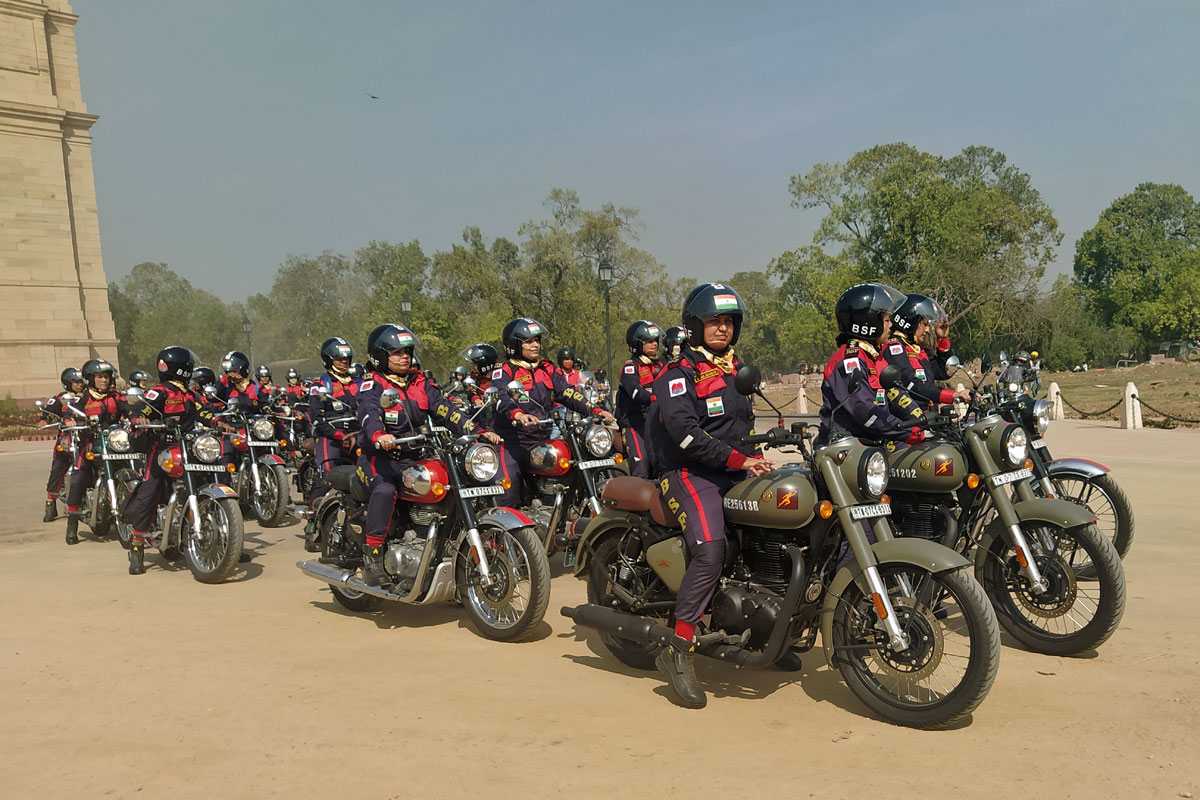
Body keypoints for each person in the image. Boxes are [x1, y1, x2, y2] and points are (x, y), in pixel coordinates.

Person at [645, 283, 773, 709]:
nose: (723, 328)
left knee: (772, 531)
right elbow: (686, 437)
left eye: (729, 321)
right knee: (711, 549)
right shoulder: (676, 375)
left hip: (732, 469)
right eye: (714, 321)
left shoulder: (735, 370)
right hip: (689, 473)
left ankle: (769, 631)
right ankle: (677, 651)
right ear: (694, 326)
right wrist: (740, 460)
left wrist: (760, 452)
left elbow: (740, 428)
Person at [355, 324, 501, 585]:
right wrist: (380, 436)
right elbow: (369, 414)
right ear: (380, 355)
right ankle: (373, 556)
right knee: (385, 490)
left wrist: (476, 429)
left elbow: (445, 409)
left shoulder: (419, 381)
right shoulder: (373, 384)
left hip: (416, 456)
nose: (404, 357)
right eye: (397, 352)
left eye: (407, 352)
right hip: (381, 458)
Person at [492, 319, 614, 507]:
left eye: (537, 340)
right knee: (508, 489)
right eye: (528, 341)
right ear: (513, 345)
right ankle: (504, 531)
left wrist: (595, 409)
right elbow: (501, 397)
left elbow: (567, 392)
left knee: (573, 465)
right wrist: (517, 414)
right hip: (513, 442)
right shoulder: (505, 371)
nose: (535, 345)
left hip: (544, 437)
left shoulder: (546, 369)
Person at [121, 346, 210, 575]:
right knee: (150, 491)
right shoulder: (160, 392)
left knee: (210, 477)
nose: (192, 369)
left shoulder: (191, 394)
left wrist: (219, 421)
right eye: (189, 365)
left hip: (189, 447)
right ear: (180, 368)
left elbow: (205, 412)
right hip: (161, 449)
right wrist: (138, 419)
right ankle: (137, 545)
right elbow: (139, 411)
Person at [819, 284, 925, 448]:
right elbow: (864, 411)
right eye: (887, 320)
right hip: (847, 449)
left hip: (873, 444)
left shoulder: (875, 356)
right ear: (869, 323)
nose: (891, 326)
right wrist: (910, 433)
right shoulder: (849, 361)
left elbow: (896, 396)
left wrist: (924, 421)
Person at [304, 336, 360, 550]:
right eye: (338, 358)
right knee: (326, 478)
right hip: (331, 439)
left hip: (357, 438)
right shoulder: (320, 386)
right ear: (328, 360)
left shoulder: (358, 383)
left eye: (346, 358)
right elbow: (317, 420)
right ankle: (312, 526)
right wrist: (339, 436)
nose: (344, 362)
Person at [63, 358, 122, 544]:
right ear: (90, 379)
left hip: (113, 444)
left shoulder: (116, 397)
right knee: (80, 476)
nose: (104, 381)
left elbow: (131, 409)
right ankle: (72, 522)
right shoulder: (83, 399)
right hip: (89, 443)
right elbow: (69, 412)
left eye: (106, 377)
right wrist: (70, 421)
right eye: (99, 377)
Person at [881, 294, 970, 412]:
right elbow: (913, 385)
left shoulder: (916, 348)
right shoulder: (894, 348)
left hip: (928, 416)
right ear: (911, 321)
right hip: (909, 419)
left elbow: (942, 372)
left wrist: (942, 339)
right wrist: (953, 395)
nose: (928, 330)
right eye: (924, 324)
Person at [615, 320, 665, 479]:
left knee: (666, 461)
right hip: (634, 424)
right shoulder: (630, 367)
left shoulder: (660, 365)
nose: (654, 344)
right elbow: (634, 391)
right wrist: (653, 397)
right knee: (641, 466)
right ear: (637, 344)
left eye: (655, 341)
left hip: (656, 422)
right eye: (648, 341)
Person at [41, 367, 85, 522]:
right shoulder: (60, 398)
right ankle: (50, 503)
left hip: (86, 436)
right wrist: (44, 420)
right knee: (58, 467)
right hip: (67, 437)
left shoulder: (87, 397)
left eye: (81, 381)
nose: (80, 385)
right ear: (67, 383)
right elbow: (48, 412)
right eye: (76, 382)